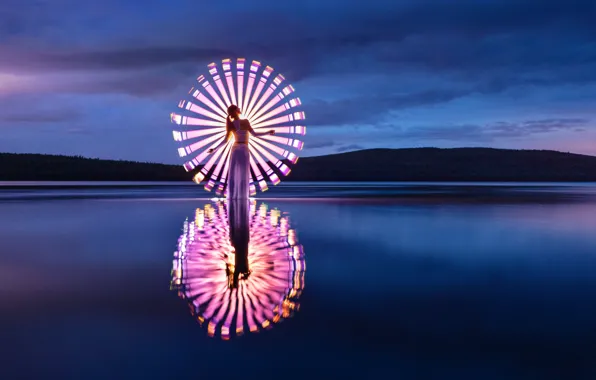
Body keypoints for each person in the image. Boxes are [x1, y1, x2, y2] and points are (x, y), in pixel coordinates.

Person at [208, 105, 274, 199]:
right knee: (243, 172)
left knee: (234, 173)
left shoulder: (231, 124)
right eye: (238, 108)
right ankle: (242, 197)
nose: (240, 109)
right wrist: (268, 132)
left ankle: (233, 197)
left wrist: (214, 149)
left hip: (235, 149)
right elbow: (255, 135)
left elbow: (225, 141)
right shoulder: (245, 121)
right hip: (243, 148)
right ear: (235, 111)